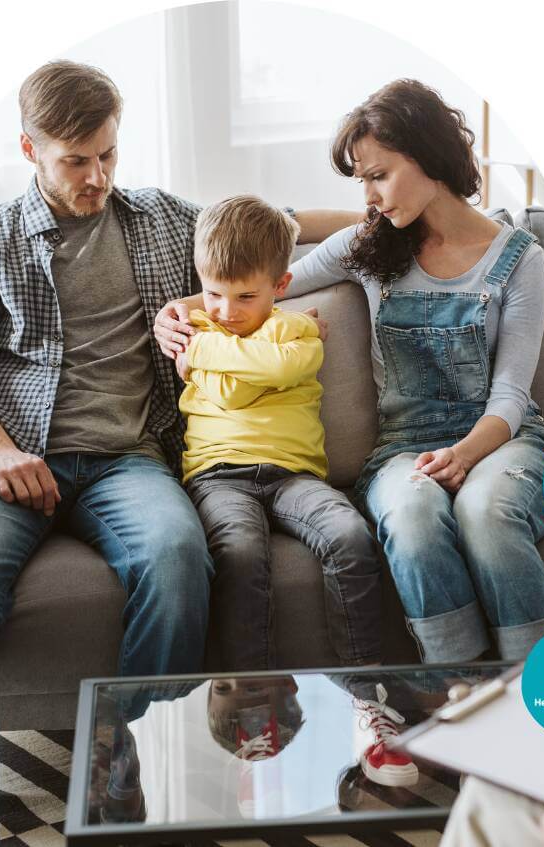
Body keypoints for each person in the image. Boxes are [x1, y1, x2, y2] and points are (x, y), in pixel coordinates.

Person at [0, 60, 356, 845]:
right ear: (29, 148)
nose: (97, 176)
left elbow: (269, 226)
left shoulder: (159, 220)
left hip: (127, 458)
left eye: (108, 154)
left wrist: (380, 218)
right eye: (75, 160)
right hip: (6, 462)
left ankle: (122, 789)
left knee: (178, 559)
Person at [156, 79, 544, 664]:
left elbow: (510, 395)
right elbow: (266, 284)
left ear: (429, 157)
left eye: (379, 176)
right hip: (404, 446)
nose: (369, 197)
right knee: (412, 515)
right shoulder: (371, 245)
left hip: (503, 440)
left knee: (484, 514)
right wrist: (176, 310)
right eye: (361, 182)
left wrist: (463, 455)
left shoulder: (520, 257)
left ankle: (541, 685)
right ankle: (455, 687)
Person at [178, 195, 381, 671]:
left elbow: (281, 367)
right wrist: (254, 358)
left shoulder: (298, 330)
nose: (226, 311)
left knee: (350, 535)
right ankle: (253, 687)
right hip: (217, 475)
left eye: (246, 297)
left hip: (296, 475)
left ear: (281, 285)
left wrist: (201, 353)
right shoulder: (198, 325)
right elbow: (231, 393)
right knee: (239, 554)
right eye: (213, 294)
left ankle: (366, 681)